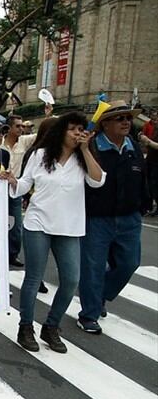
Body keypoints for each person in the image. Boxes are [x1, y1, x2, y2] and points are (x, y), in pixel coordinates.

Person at [0, 112, 105, 353]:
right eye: (72, 129)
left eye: (81, 129)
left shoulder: (83, 159)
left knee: (70, 280)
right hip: (38, 222)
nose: (77, 133)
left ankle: (51, 325)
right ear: (61, 131)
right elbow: (26, 184)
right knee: (34, 277)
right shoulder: (40, 155)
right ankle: (25, 326)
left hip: (69, 227)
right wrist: (13, 181)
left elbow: (98, 181)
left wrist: (87, 150)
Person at [78, 101, 150, 334]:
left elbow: (143, 177)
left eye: (128, 118)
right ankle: (89, 314)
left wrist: (144, 203)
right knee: (93, 267)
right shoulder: (92, 148)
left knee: (130, 263)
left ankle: (100, 295)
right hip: (98, 218)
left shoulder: (133, 147)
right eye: (120, 118)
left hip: (130, 218)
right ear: (105, 123)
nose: (126, 122)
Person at [1, 114, 37, 268]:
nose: (21, 129)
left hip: (15, 188)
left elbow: (43, 133)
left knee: (16, 226)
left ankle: (13, 254)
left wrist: (49, 114)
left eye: (22, 126)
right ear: (8, 128)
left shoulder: (24, 141)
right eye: (18, 126)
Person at [138, 108, 158, 216]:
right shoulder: (152, 127)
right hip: (150, 160)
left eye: (156, 119)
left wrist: (148, 141)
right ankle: (148, 206)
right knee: (149, 183)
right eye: (153, 119)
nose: (154, 122)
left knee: (155, 184)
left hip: (156, 162)